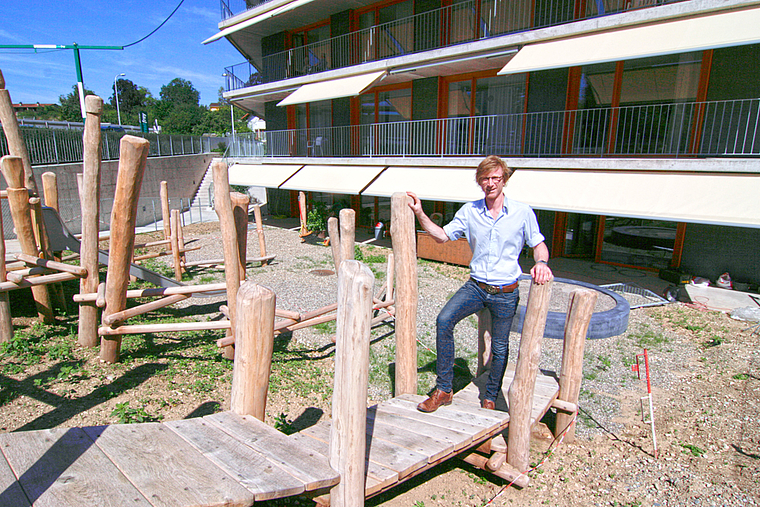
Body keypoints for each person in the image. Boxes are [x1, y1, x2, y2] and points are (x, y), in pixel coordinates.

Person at [407, 155, 553, 413]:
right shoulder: (470, 211)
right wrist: (420, 213)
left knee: (499, 346)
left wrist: (541, 263)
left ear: (504, 180)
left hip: (506, 291)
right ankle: (444, 388)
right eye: (485, 178)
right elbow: (442, 236)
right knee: (444, 320)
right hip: (476, 287)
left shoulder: (522, 212)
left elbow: (538, 244)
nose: (490, 183)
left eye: (496, 178)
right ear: (479, 182)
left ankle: (490, 395)